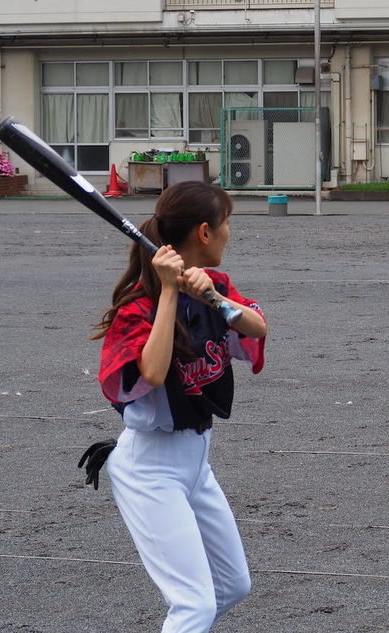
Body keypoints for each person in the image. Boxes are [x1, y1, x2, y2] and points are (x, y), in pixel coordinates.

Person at [84, 181, 268, 632]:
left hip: (196, 465)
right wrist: (169, 292)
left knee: (232, 586)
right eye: (226, 224)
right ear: (205, 232)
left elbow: (256, 328)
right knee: (193, 606)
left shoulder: (215, 286)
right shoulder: (139, 306)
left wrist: (213, 298)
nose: (229, 233)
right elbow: (151, 371)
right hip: (150, 470)